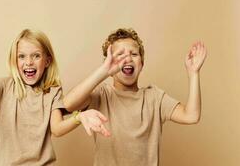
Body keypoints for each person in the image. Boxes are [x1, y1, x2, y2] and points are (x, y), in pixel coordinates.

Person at [0, 29, 110, 166]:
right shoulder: (5, 86)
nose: (28, 62)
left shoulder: (52, 91)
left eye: (36, 56)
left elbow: (57, 128)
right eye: (22, 56)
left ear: (47, 61)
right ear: (15, 60)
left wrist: (79, 116)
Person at [63, 28, 207, 166]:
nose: (127, 58)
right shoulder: (102, 95)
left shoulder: (154, 97)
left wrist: (193, 73)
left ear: (142, 63)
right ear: (109, 65)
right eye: (120, 54)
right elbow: (68, 104)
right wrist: (103, 71)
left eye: (134, 54)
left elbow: (191, 115)